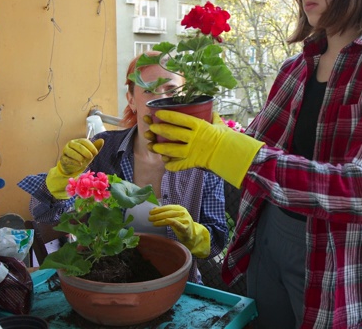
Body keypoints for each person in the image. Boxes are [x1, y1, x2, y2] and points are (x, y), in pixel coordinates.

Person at [144, 0, 362, 327]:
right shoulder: (296, 68)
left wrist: (226, 149)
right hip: (267, 238)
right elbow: (256, 151)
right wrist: (198, 141)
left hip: (337, 265)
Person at [17, 51, 228, 284]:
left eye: (170, 90)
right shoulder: (102, 149)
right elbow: (44, 213)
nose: (160, 100)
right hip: (105, 283)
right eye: (148, 90)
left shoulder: (202, 163)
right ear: (131, 99)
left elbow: (216, 241)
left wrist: (193, 233)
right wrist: (62, 179)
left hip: (178, 286)